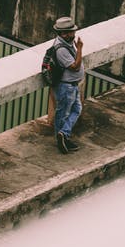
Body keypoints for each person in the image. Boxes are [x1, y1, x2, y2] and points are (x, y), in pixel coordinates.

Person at [52, 16, 84, 154]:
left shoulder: (67, 43)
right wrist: (80, 49)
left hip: (72, 85)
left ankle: (63, 135)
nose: (74, 34)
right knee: (63, 113)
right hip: (66, 87)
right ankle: (62, 138)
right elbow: (75, 67)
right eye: (71, 32)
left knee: (76, 109)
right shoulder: (61, 49)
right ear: (63, 33)